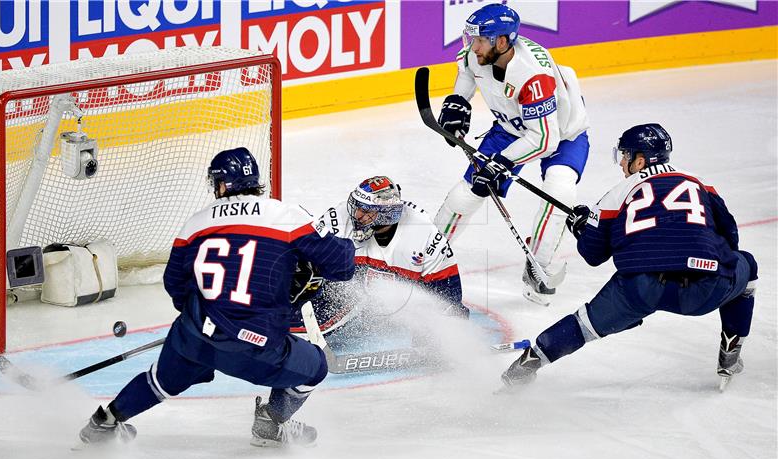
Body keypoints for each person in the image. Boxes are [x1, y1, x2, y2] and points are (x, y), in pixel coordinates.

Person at [77, 147, 355, 448]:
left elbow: (175, 283)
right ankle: (270, 424)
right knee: (316, 367)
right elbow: (342, 266)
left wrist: (201, 318)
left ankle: (104, 422)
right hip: (256, 344)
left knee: (163, 380)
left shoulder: (196, 223)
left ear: (221, 185)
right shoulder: (286, 216)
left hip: (195, 335)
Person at [499, 124, 757, 392]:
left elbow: (593, 254)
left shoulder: (617, 193)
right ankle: (730, 349)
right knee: (747, 264)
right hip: (706, 287)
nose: (622, 163)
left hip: (639, 288)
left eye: (625, 155)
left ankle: (528, 363)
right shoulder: (699, 183)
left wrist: (581, 228)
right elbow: (731, 235)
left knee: (583, 325)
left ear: (640, 160)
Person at [433, 2, 590, 306]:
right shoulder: (479, 53)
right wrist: (457, 101)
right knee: (466, 194)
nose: (472, 46)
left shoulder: (532, 76)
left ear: (502, 42)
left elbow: (544, 139)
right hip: (511, 127)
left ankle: (540, 264)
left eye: (479, 40)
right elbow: (467, 70)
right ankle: (426, 255)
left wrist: (500, 163)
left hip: (563, 132)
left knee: (559, 192)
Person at [293, 176, 468, 338]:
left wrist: (445, 334)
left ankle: (299, 333)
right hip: (340, 291)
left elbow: (450, 298)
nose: (357, 215)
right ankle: (290, 324)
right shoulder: (339, 217)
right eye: (356, 207)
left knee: (356, 297)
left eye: (366, 210)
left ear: (387, 213)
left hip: (393, 312)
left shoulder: (423, 235)